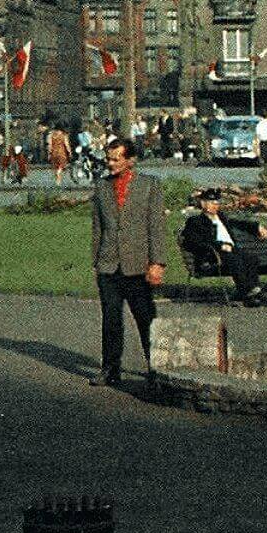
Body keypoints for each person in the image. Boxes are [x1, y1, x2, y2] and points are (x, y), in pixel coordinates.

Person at [89, 138, 166, 387]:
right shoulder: (101, 187)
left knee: (146, 319)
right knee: (111, 319)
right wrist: (97, 261)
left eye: (116, 159)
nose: (110, 164)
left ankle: (157, 369)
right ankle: (110, 368)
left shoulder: (149, 185)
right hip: (109, 265)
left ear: (130, 160)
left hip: (138, 265)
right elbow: (98, 228)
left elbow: (157, 227)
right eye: (108, 159)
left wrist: (157, 263)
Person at [181, 191, 267, 305]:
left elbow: (238, 223)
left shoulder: (221, 217)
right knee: (235, 260)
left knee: (251, 258)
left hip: (231, 251)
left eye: (217, 203)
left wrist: (257, 227)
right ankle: (248, 293)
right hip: (212, 255)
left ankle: (252, 291)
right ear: (203, 204)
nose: (215, 205)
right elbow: (194, 240)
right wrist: (219, 245)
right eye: (212, 203)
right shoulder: (196, 221)